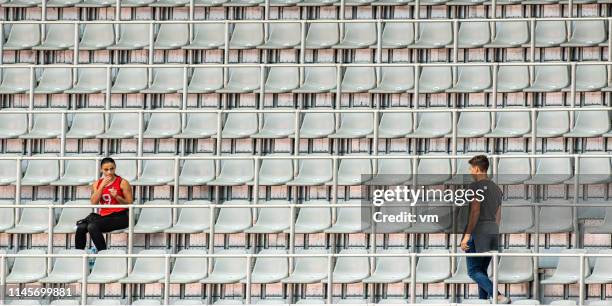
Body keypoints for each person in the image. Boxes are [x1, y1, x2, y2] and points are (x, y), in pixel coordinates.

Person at [460, 154, 510, 304]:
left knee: (473, 271)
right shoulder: (496, 188)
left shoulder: (475, 187)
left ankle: (498, 296)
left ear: (476, 168)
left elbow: (475, 212)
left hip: (478, 232)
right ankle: (483, 302)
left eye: (471, 168)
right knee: (481, 270)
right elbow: (498, 216)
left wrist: (467, 236)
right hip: (492, 232)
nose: (470, 171)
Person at [75, 157, 133, 251]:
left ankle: (103, 254)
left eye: (112, 169)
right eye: (106, 170)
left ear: (115, 168)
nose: (109, 172)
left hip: (121, 216)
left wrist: (117, 196)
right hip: (104, 217)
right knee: (81, 227)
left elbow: (130, 204)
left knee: (92, 226)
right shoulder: (97, 184)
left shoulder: (123, 182)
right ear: (101, 170)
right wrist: (101, 186)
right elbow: (93, 203)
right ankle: (78, 255)